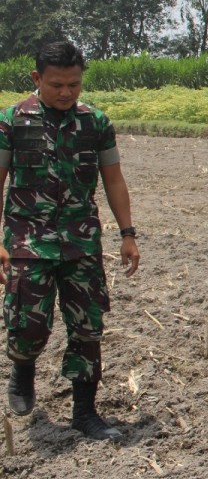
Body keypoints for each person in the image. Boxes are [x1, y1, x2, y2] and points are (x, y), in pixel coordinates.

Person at [0, 41, 139, 441]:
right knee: (29, 326)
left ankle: (85, 412)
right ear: (36, 79)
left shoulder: (95, 122)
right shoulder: (12, 121)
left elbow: (113, 178)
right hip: (28, 242)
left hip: (81, 242)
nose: (66, 93)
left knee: (87, 327)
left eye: (74, 85)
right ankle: (23, 367)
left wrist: (128, 234)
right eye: (57, 85)